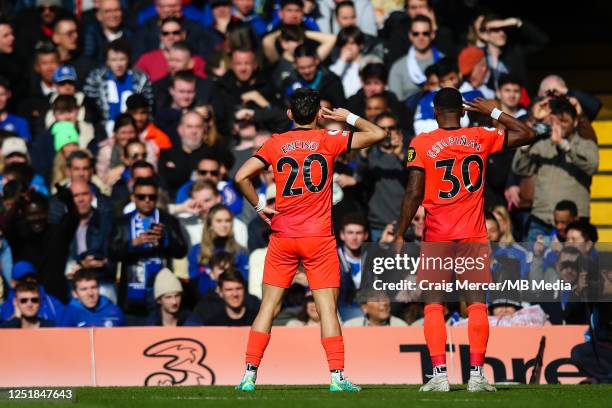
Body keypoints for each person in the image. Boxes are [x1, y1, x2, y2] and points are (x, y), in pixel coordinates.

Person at [233, 88, 385, 391]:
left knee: (268, 307)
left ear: (290, 115)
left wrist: (261, 206)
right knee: (328, 308)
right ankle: (337, 378)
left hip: (283, 235)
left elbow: (240, 177)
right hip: (318, 237)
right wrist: (347, 117)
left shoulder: (276, 143)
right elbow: (377, 133)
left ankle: (249, 375)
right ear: (319, 114)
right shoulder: (329, 139)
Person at [393, 88, 535, 391]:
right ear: (463, 111)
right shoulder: (480, 136)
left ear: (434, 112)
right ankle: (477, 375)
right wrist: (493, 111)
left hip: (437, 237)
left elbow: (413, 192)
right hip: (473, 234)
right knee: (476, 306)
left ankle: (440, 375)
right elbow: (527, 132)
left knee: (433, 306)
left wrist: (400, 230)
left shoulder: (422, 143)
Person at [512, 96, 599, 243]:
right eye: (555, 122)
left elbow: (591, 166)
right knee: (535, 264)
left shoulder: (585, 144)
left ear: (575, 122)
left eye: (564, 122)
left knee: (575, 264)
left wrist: (564, 145)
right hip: (541, 221)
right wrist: (528, 140)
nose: (559, 127)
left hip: (574, 224)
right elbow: (519, 168)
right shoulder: (542, 144)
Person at [109, 177, 188, 320]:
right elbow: (112, 253)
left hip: (161, 292)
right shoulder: (122, 222)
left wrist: (165, 238)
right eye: (141, 197)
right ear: (133, 198)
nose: (147, 200)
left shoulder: (168, 220)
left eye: (152, 197)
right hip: (133, 292)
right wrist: (133, 244)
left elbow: (181, 251)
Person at [388, 15, 442, 102]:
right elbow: (396, 104)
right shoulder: (397, 67)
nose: (420, 38)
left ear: (432, 34)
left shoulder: (443, 61)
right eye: (416, 34)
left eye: (425, 33)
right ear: (410, 35)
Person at [186, 268, 259, 326]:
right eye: (229, 290)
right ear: (220, 292)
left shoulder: (258, 319)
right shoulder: (213, 324)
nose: (235, 294)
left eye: (238, 288)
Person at [58, 269, 126, 327]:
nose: (90, 293)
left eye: (93, 288)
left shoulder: (114, 311)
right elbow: (62, 340)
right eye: (84, 289)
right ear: (75, 293)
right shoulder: (68, 314)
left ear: (99, 289)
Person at [343, 292, 408, 327]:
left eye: (385, 298)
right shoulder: (350, 326)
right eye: (377, 300)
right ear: (364, 308)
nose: (384, 302)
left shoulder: (401, 326)